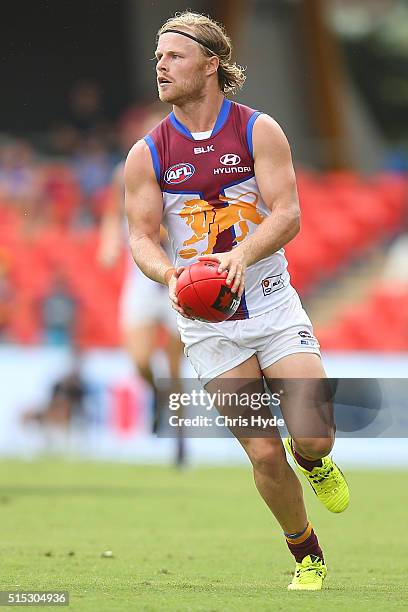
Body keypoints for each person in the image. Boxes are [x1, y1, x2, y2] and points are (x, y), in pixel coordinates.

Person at [125, 11, 349, 591]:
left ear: (211, 62)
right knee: (265, 455)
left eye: (174, 55)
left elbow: (289, 214)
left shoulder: (258, 130)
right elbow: (141, 237)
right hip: (208, 327)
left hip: (272, 307)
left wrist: (241, 256)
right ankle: (307, 557)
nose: (162, 65)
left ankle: (317, 462)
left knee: (313, 437)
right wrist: (169, 273)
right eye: (157, 57)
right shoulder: (148, 152)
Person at [99, 105, 186, 466]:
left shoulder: (184, 173)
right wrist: (106, 243)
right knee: (139, 360)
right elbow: (112, 214)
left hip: (179, 281)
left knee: (176, 363)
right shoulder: (127, 171)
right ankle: (158, 394)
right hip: (141, 281)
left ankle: (179, 439)